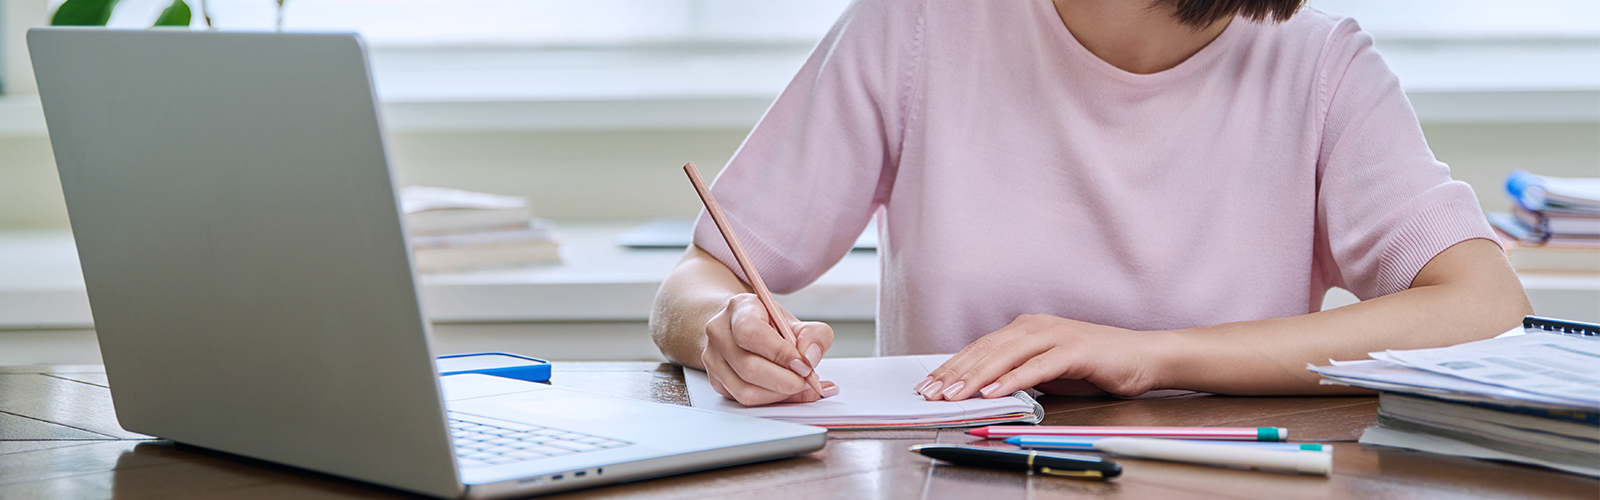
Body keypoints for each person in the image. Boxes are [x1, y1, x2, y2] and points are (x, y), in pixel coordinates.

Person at [649, 0, 1533, 406]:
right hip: (959, 476)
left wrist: (1151, 355)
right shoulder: (914, 25)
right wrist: (722, 327)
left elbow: (1486, 309)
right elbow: (702, 277)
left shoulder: (1322, 66)